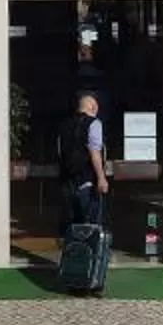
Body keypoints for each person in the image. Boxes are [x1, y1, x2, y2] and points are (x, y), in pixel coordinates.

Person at [61, 90, 110, 233]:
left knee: (72, 226)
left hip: (67, 182)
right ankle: (91, 255)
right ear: (94, 108)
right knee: (91, 225)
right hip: (87, 181)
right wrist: (101, 178)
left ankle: (75, 254)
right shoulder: (94, 123)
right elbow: (94, 152)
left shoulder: (65, 125)